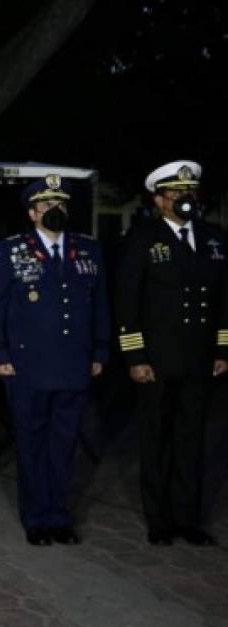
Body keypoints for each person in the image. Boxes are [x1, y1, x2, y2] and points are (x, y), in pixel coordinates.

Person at [0, 175, 110, 546]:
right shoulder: (11, 250)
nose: (54, 211)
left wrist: (101, 350)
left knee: (64, 443)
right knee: (31, 441)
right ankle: (36, 518)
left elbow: (100, 303)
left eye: (60, 205)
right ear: (32, 213)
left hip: (73, 364)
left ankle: (59, 515)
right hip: (27, 366)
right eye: (46, 206)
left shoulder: (87, 250)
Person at [115, 161, 228, 546]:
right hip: (157, 362)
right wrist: (135, 357)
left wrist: (222, 348)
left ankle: (188, 519)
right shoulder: (143, 238)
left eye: (189, 193)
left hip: (199, 359)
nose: (184, 199)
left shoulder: (214, 238)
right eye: (176, 194)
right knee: (156, 439)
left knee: (191, 440)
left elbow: (223, 301)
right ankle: (159, 520)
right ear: (159, 200)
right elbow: (127, 302)